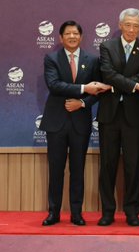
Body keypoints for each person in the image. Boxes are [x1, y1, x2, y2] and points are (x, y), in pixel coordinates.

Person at [40, 21, 110, 226]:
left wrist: (82, 102)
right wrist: (82, 89)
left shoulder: (92, 60)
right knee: (56, 169)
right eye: (67, 34)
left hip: (80, 122)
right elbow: (54, 85)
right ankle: (53, 212)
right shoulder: (51, 58)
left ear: (81, 37)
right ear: (61, 38)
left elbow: (98, 91)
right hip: (56, 122)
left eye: (75, 33)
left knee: (78, 169)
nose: (72, 37)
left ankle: (76, 213)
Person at [97, 8, 139, 226]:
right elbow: (107, 74)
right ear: (120, 25)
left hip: (134, 115)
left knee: (133, 164)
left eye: (136, 26)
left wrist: (122, 84)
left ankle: (132, 211)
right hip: (109, 114)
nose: (131, 29)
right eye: (128, 25)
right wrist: (134, 85)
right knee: (108, 165)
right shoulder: (107, 46)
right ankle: (108, 212)